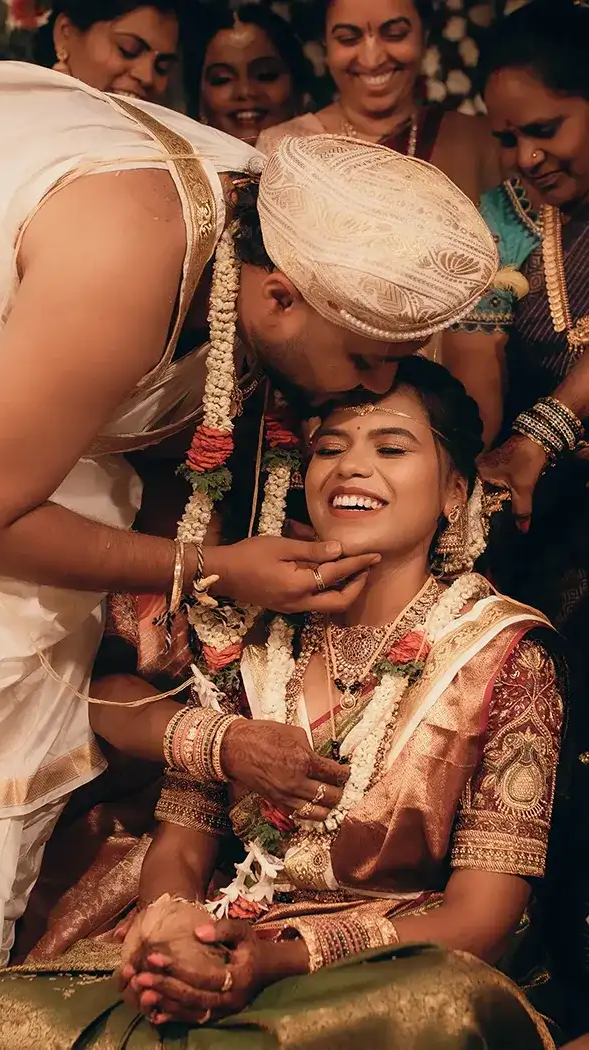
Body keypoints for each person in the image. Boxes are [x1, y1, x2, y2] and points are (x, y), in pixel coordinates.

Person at [0, 56, 499, 1045]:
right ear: (280, 301)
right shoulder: (128, 259)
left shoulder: (494, 647)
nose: (366, 388)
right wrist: (204, 573)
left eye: (395, 433)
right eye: (363, 362)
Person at [0, 358, 560, 1050]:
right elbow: (182, 837)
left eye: (390, 448)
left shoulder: (505, 655)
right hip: (227, 930)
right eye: (330, 448)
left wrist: (279, 958)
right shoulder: (252, 637)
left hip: (389, 965)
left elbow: (484, 917)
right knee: (7, 1022)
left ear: (454, 492)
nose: (351, 468)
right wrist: (180, 931)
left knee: (429, 1014)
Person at [441, 0, 589, 667]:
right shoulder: (501, 221)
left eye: (546, 128)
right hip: (561, 521)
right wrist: (476, 475)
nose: (527, 156)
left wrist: (549, 424)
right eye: (507, 138)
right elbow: (476, 369)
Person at [256, 0, 499, 204]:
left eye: (395, 34)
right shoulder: (283, 149)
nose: (372, 59)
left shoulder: (477, 142)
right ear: (325, 45)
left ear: (424, 36)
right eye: (348, 38)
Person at [189, 3, 314, 147]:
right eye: (223, 79)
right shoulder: (171, 168)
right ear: (199, 98)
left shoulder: (331, 162)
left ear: (297, 89)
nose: (245, 91)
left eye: (266, 75)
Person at [33, 0, 182, 100]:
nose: (147, 77)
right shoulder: (17, 119)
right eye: (129, 49)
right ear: (65, 34)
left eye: (163, 66)